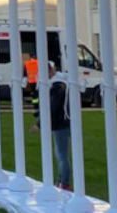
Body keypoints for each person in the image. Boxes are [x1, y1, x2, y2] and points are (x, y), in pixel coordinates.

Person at [31, 61, 71, 191]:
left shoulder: (57, 86)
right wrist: (38, 113)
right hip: (61, 122)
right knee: (60, 154)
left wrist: (39, 124)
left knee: (61, 155)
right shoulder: (58, 84)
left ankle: (63, 182)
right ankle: (61, 180)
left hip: (61, 123)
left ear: (50, 71)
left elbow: (53, 107)